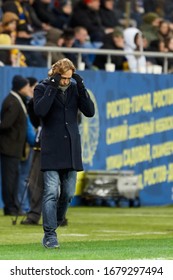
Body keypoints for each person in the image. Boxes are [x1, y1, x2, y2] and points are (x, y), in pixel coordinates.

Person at [33, 58, 95, 248]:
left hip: (71, 149)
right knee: (51, 192)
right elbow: (40, 111)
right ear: (57, 74)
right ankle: (50, 234)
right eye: (64, 78)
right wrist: (52, 86)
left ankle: (55, 224)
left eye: (70, 78)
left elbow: (90, 111)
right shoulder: (42, 88)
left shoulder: (75, 89)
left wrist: (82, 86)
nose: (67, 82)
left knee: (67, 194)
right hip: (52, 148)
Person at [0, 75, 30, 216]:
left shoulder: (17, 100)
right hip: (9, 147)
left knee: (14, 178)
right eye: (26, 86)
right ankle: (10, 207)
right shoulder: (13, 101)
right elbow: (5, 124)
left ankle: (14, 205)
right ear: (20, 87)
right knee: (9, 179)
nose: (28, 88)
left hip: (14, 147)